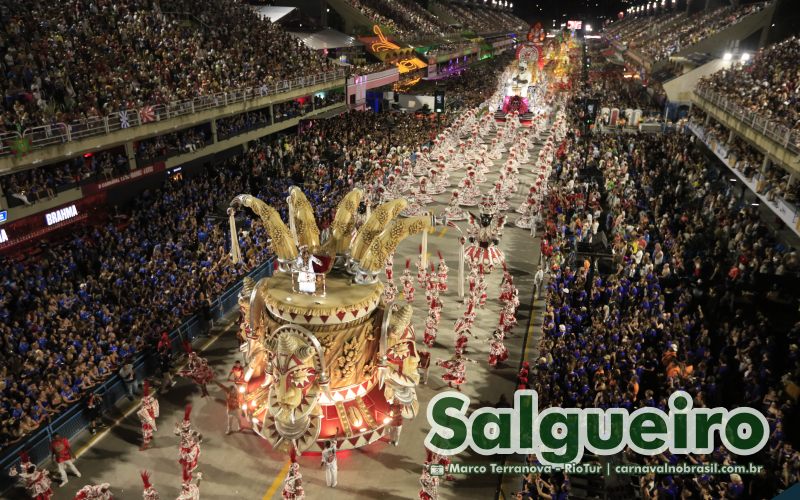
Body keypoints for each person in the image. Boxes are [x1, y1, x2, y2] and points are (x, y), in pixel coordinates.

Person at [138, 382, 160, 451]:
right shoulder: (148, 399)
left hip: (148, 418)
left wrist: (147, 408)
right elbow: (142, 408)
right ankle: (150, 435)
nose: (145, 402)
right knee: (148, 430)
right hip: (147, 417)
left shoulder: (150, 400)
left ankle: (146, 444)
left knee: (145, 432)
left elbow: (154, 406)